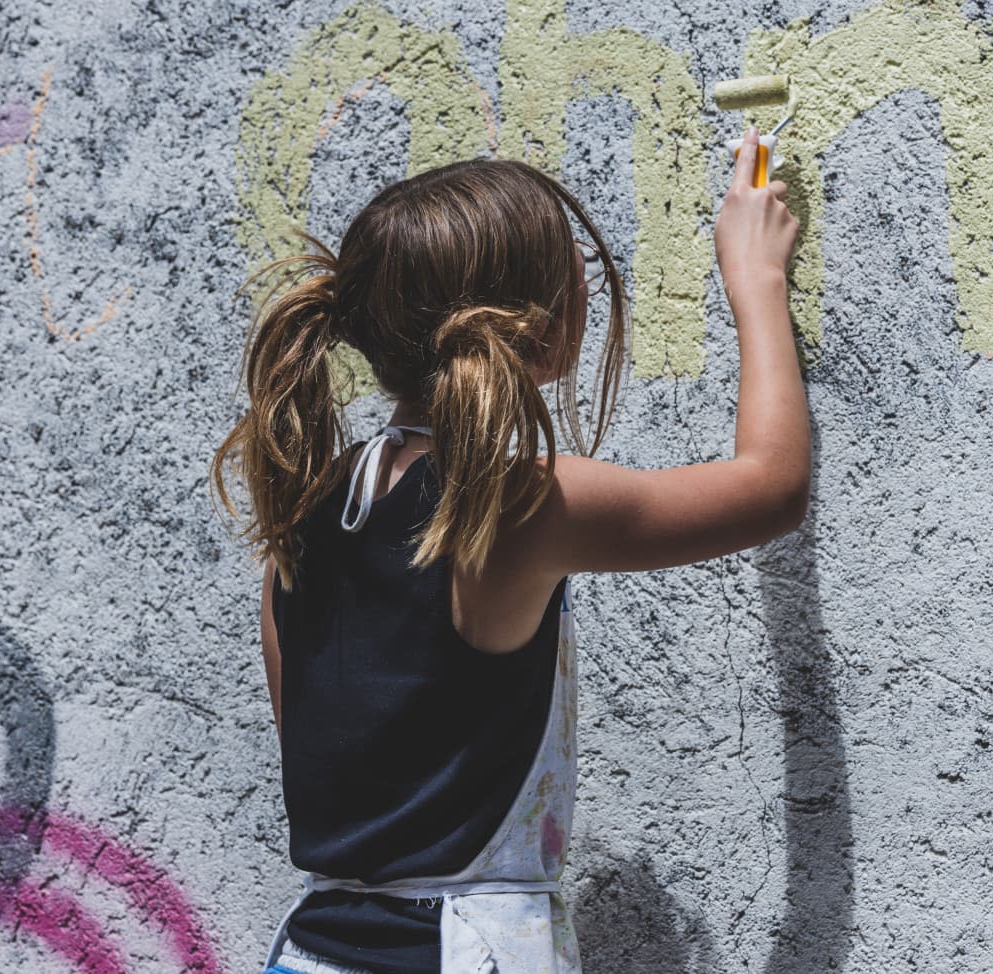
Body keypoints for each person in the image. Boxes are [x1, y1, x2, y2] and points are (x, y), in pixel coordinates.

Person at [208, 124, 806, 974]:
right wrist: (757, 278)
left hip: (309, 950)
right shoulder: (516, 501)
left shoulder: (305, 509)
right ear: (536, 325)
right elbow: (771, 487)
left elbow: (343, 759)